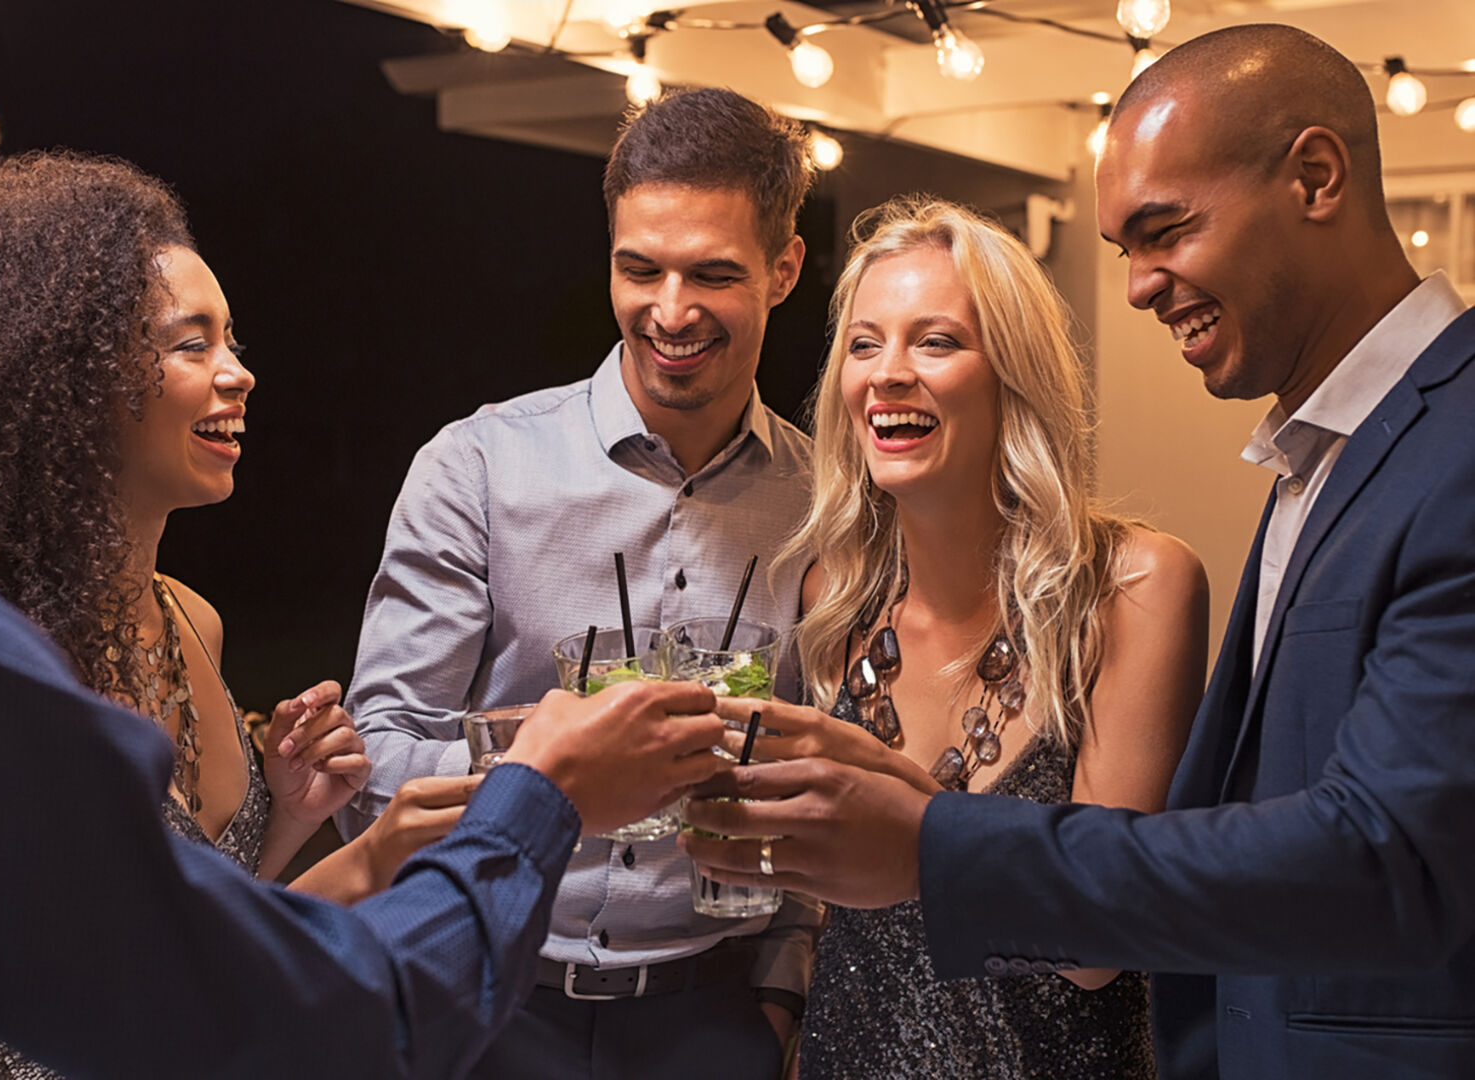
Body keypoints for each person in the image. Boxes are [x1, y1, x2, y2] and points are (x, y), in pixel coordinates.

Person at [0, 40, 726, 1079]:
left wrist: (352, 844)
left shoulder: (165, 626)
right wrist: (540, 790)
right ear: (76, 371)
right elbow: (311, 1019)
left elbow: (198, 972)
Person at [682, 23, 1475, 1080]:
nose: (1141, 286)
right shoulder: (1310, 458)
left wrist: (925, 840)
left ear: (1315, 178)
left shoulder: (1448, 446)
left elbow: (1381, 851)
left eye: (1165, 230)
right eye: (863, 344)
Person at [0, 149, 485, 1079]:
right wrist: (373, 862)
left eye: (233, 341)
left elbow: (206, 934)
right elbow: (146, 986)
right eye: (190, 343)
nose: (238, 373)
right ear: (75, 379)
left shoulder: (190, 623)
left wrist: (289, 822)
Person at [340, 87, 819, 1078]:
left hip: (714, 1012)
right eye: (638, 269)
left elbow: (824, 757)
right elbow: (376, 754)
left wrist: (776, 997)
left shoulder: (830, 500)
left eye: (712, 275)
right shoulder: (476, 467)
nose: (669, 311)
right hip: (488, 1002)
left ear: (783, 270)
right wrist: (553, 779)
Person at [705, 195, 1205, 1079]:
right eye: (864, 344)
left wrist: (909, 826)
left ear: (1010, 372)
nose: (887, 373)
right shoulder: (834, 601)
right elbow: (818, 902)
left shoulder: (1134, 587)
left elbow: (1095, 943)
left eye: (934, 341)